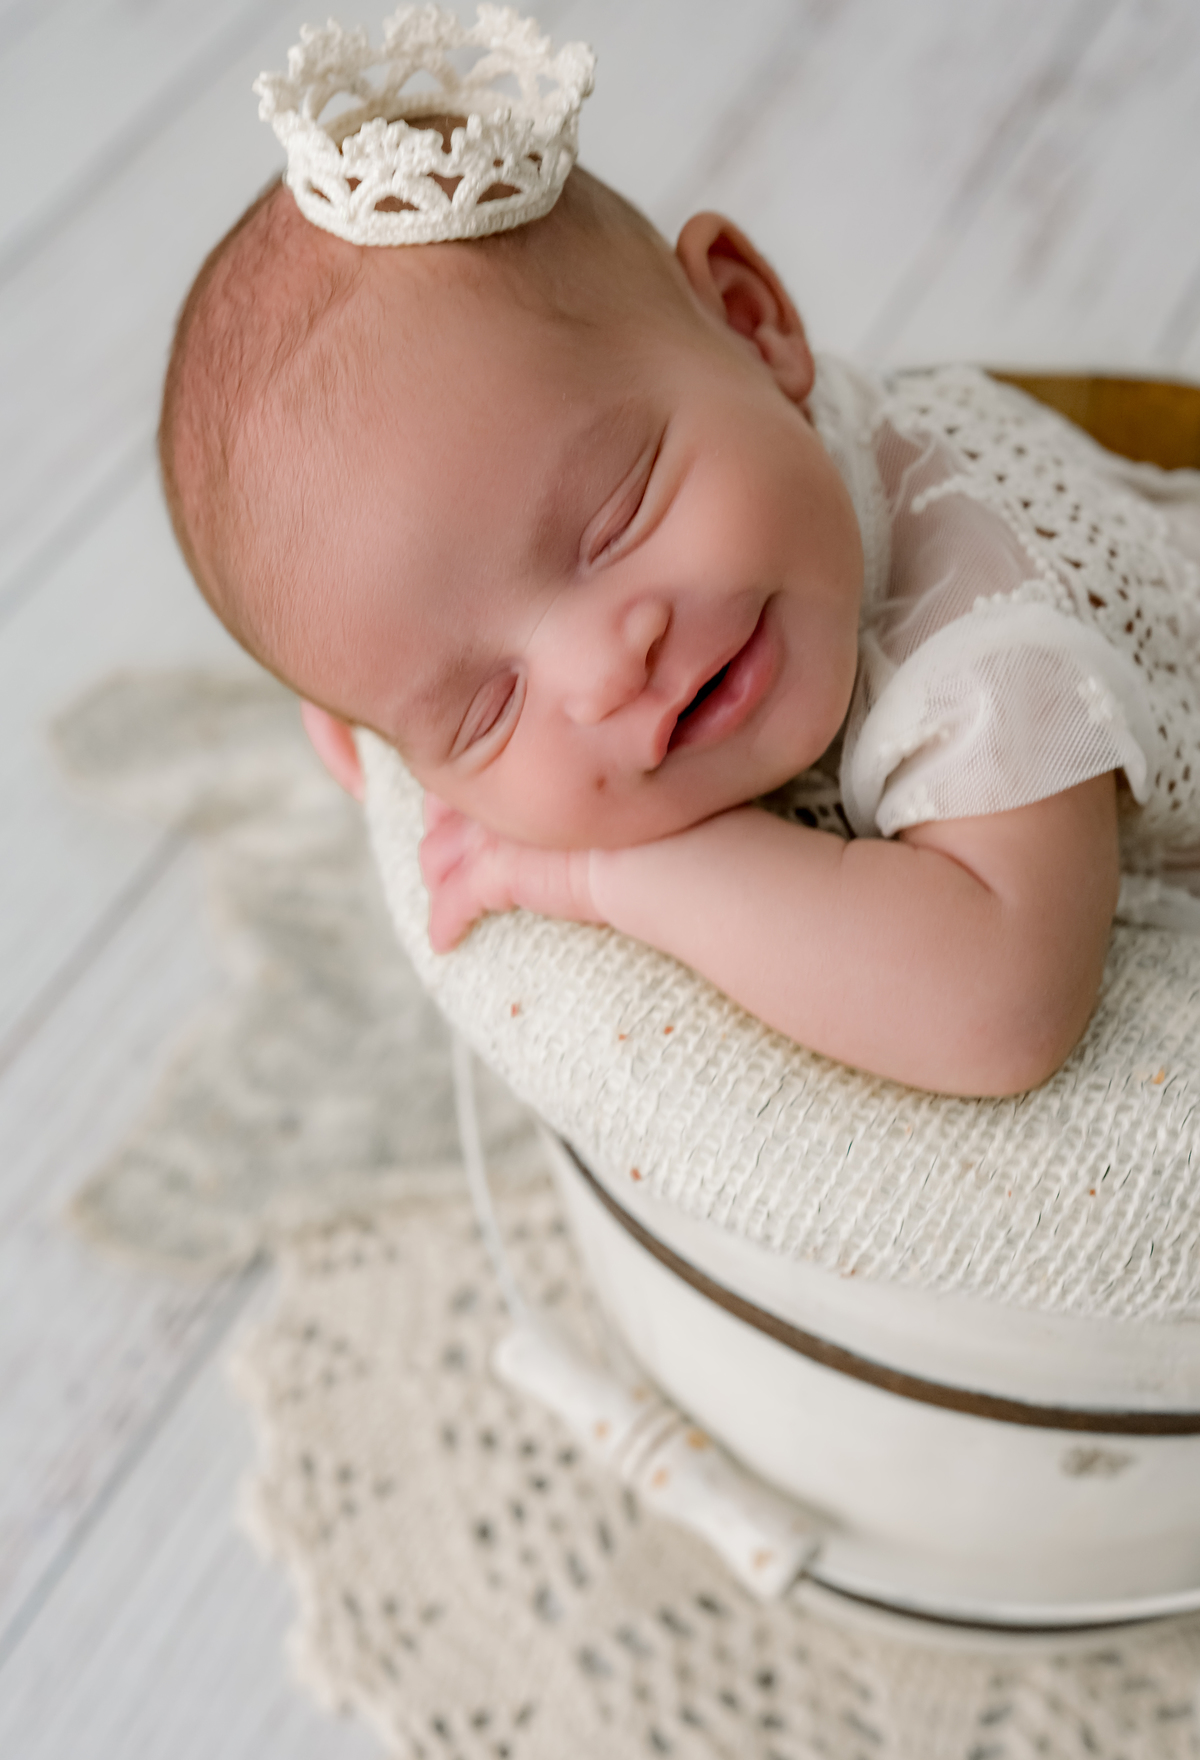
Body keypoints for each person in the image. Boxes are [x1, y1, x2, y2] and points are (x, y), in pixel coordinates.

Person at [159, 94, 1200, 1102]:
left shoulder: (987, 649)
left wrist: (609, 880)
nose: (605, 671)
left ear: (750, 324)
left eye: (615, 518)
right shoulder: (717, 474)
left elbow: (1002, 1008)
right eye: (485, 707)